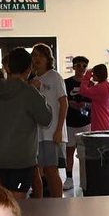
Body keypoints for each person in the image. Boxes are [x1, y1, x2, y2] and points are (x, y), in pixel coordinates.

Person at [0, 47, 51, 196]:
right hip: (22, 159)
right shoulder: (29, 92)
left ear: (8, 67)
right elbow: (46, 118)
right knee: (17, 204)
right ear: (29, 69)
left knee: (2, 200)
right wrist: (40, 96)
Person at [30, 43, 67, 198]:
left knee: (51, 169)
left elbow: (64, 103)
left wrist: (59, 130)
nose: (37, 59)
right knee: (36, 170)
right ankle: (40, 202)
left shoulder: (55, 77)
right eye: (34, 55)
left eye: (40, 55)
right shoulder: (33, 80)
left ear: (47, 59)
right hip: (37, 133)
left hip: (51, 132)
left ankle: (58, 201)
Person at [63, 55, 89, 191]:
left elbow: (94, 102)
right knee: (69, 151)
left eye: (84, 66)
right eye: (78, 65)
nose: (81, 68)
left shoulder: (90, 84)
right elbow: (62, 100)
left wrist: (85, 105)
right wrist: (70, 103)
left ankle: (86, 179)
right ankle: (69, 178)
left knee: (84, 153)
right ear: (73, 67)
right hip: (70, 122)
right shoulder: (66, 82)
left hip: (86, 122)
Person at [79, 63, 109, 132]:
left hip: (99, 125)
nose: (92, 75)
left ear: (98, 74)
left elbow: (83, 91)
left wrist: (86, 76)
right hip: (108, 124)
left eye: (93, 73)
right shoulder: (108, 86)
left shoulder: (100, 87)